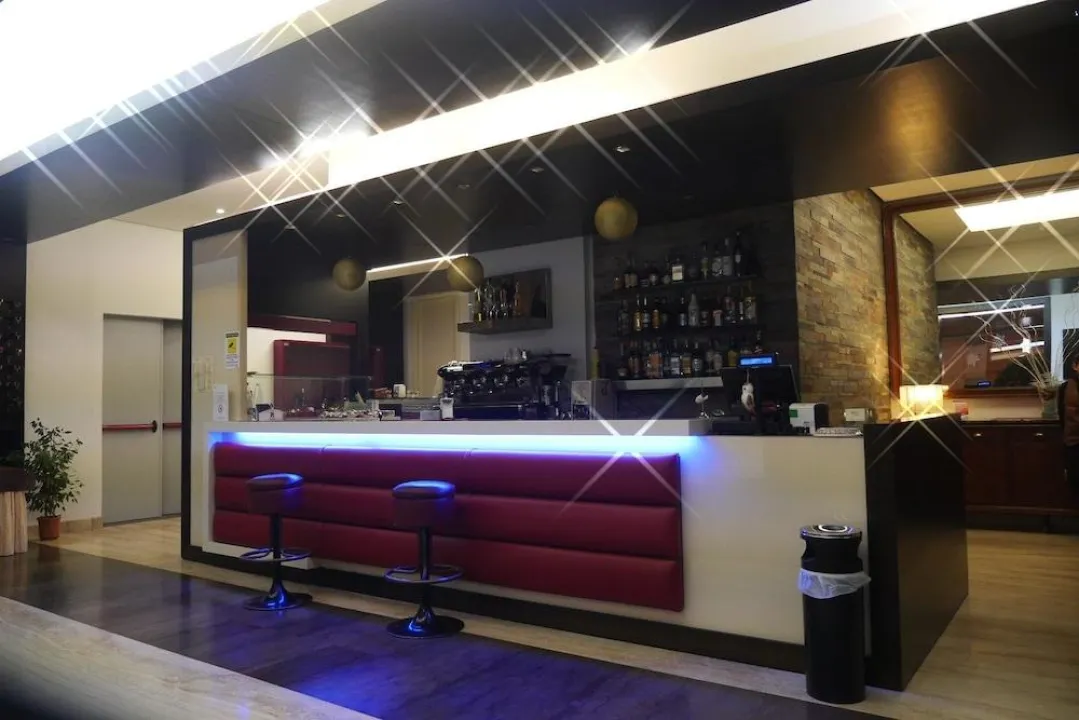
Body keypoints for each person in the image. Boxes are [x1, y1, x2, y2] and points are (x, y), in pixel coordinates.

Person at [1057, 352, 1079, 493]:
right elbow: (1062, 414)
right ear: (1075, 366)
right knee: (1075, 482)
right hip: (1073, 442)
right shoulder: (1065, 388)